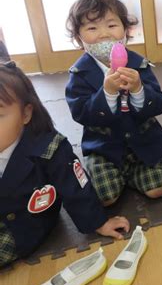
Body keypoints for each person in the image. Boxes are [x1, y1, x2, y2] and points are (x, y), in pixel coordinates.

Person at [0, 61, 129, 268]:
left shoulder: (50, 148)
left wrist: (98, 222)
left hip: (22, 224)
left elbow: (76, 187)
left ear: (25, 114)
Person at [65, 0, 162, 206]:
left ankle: (132, 174)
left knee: (159, 189)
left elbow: (159, 104)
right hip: (103, 147)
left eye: (111, 25)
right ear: (79, 38)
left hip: (144, 140)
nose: (104, 34)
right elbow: (81, 113)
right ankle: (116, 175)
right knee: (105, 198)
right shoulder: (79, 74)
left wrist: (138, 89)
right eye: (92, 28)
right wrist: (106, 92)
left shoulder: (139, 64)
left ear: (126, 30)